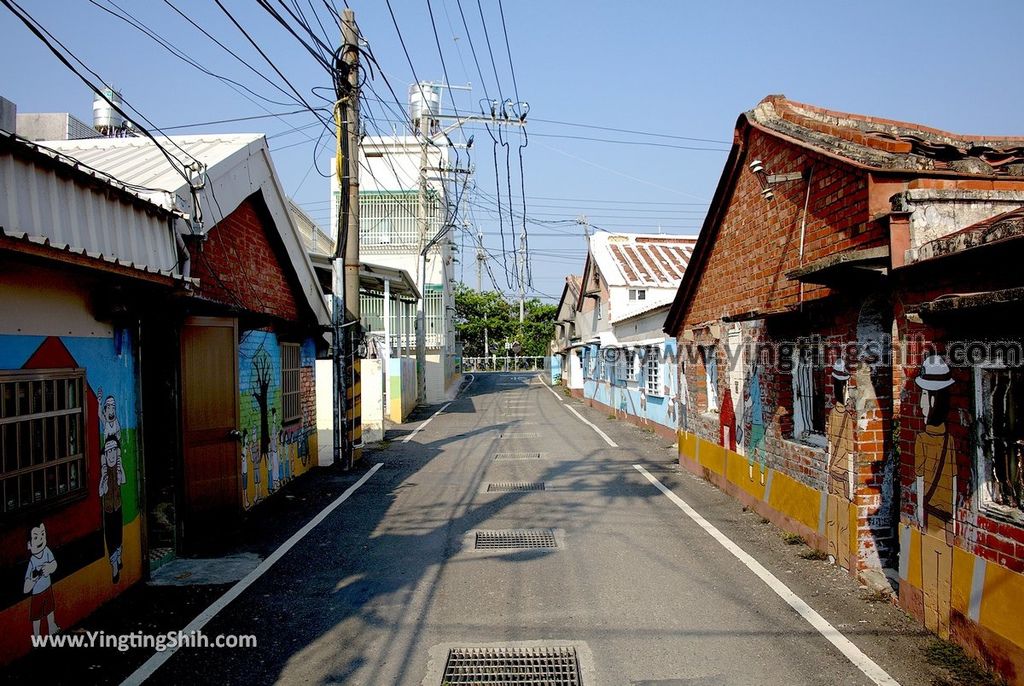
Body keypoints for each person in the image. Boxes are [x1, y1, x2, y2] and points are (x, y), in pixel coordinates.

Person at [913, 354, 957, 638]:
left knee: (930, 576)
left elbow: (919, 481)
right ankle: (944, 632)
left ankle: (931, 623)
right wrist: (953, 524)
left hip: (929, 514)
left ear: (930, 400)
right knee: (945, 580)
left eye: (923, 396)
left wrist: (918, 515)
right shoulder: (950, 440)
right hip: (946, 516)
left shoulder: (921, 439)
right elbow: (952, 481)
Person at [825, 359, 855, 568]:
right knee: (843, 520)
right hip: (844, 475)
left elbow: (828, 445)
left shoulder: (830, 415)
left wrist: (828, 471)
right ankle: (844, 559)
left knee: (832, 517)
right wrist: (852, 487)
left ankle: (832, 554)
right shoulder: (849, 420)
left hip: (832, 473)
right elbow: (852, 454)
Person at [98, 389, 126, 583]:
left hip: (117, 504)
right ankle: (115, 561)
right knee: (112, 534)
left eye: (113, 406)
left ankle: (118, 556)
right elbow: (101, 490)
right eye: (109, 406)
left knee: (118, 531)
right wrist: (99, 401)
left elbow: (123, 479)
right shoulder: (105, 471)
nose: (112, 409)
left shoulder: (116, 425)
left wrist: (119, 463)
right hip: (109, 507)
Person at [24, 523, 60, 638]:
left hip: (47, 588)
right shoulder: (32, 561)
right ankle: (37, 636)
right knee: (36, 617)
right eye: (35, 537)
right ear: (29, 545)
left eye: (42, 534)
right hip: (37, 594)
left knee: (50, 610)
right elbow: (26, 587)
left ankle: (52, 627)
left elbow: (54, 564)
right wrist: (34, 579)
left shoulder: (47, 551)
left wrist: (49, 568)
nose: (40, 539)